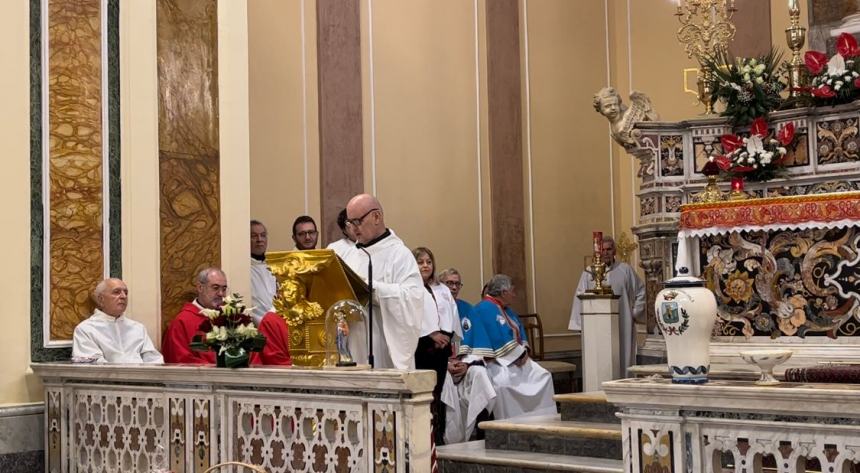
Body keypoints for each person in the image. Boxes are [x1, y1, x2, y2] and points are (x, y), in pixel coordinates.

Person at [340, 194, 424, 370]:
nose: (353, 228)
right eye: (349, 223)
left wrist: (373, 289)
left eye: (357, 222)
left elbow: (413, 298)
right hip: (353, 346)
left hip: (383, 347)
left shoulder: (400, 255)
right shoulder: (349, 256)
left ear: (376, 216)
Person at [466, 274, 556, 420]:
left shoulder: (508, 310)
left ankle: (541, 420)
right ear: (503, 292)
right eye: (512, 291)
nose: (514, 295)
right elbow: (496, 338)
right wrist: (518, 355)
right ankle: (510, 423)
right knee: (503, 385)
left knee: (543, 376)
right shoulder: (484, 308)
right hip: (497, 362)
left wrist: (524, 352)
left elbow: (520, 331)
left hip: (518, 359)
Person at [568, 235, 646, 377]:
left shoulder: (625, 270)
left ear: (614, 251)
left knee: (622, 359)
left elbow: (641, 290)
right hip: (596, 328)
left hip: (622, 325)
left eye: (609, 249)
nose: (606, 253)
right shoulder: (588, 272)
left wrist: (634, 312)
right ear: (597, 252)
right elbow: (580, 296)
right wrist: (581, 325)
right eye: (602, 250)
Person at [413, 247, 462, 444]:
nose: (426, 265)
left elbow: (451, 313)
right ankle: (425, 437)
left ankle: (438, 435)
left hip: (442, 349)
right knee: (425, 393)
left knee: (438, 391)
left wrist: (448, 335)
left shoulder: (442, 289)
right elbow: (410, 316)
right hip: (422, 347)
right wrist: (431, 333)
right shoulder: (411, 288)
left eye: (429, 261)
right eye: (420, 262)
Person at [72, 278, 163, 364]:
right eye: (116, 292)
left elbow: (154, 360)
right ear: (101, 299)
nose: (123, 296)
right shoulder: (85, 330)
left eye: (126, 292)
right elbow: (95, 368)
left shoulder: (138, 328)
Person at [162, 268, 227, 364]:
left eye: (224, 289)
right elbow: (179, 360)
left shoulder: (231, 318)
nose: (221, 293)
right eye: (215, 288)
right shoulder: (182, 322)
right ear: (200, 288)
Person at [250, 219, 277, 323]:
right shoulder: (243, 269)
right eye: (254, 236)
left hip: (278, 322)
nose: (259, 239)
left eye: (263, 235)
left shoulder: (275, 266)